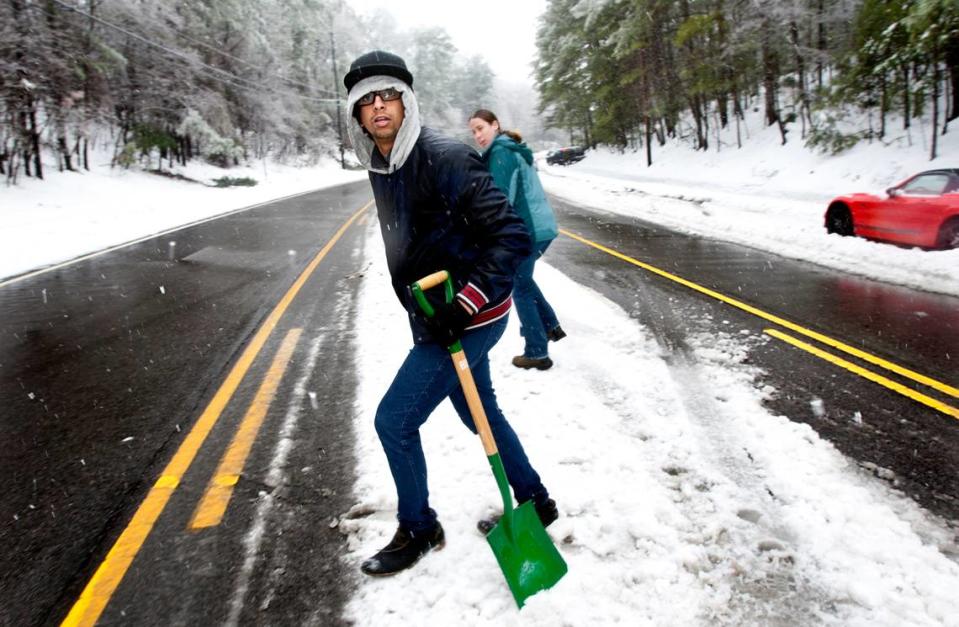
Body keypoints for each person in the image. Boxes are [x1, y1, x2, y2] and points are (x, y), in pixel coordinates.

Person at [343, 50, 559, 576]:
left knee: (394, 421)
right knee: (475, 408)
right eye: (366, 100)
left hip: (469, 316)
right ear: (355, 114)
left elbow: (510, 235)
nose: (378, 107)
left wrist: (463, 303)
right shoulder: (381, 162)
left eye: (388, 95)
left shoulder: (445, 157)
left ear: (407, 102)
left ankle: (419, 527)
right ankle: (536, 500)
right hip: (435, 314)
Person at [468, 109, 565, 371]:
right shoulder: (509, 147)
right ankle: (548, 327)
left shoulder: (500, 153)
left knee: (519, 285)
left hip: (526, 230)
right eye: (473, 131)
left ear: (495, 125)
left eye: (480, 128)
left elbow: (498, 201)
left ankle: (537, 352)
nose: (477, 135)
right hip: (536, 227)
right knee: (523, 280)